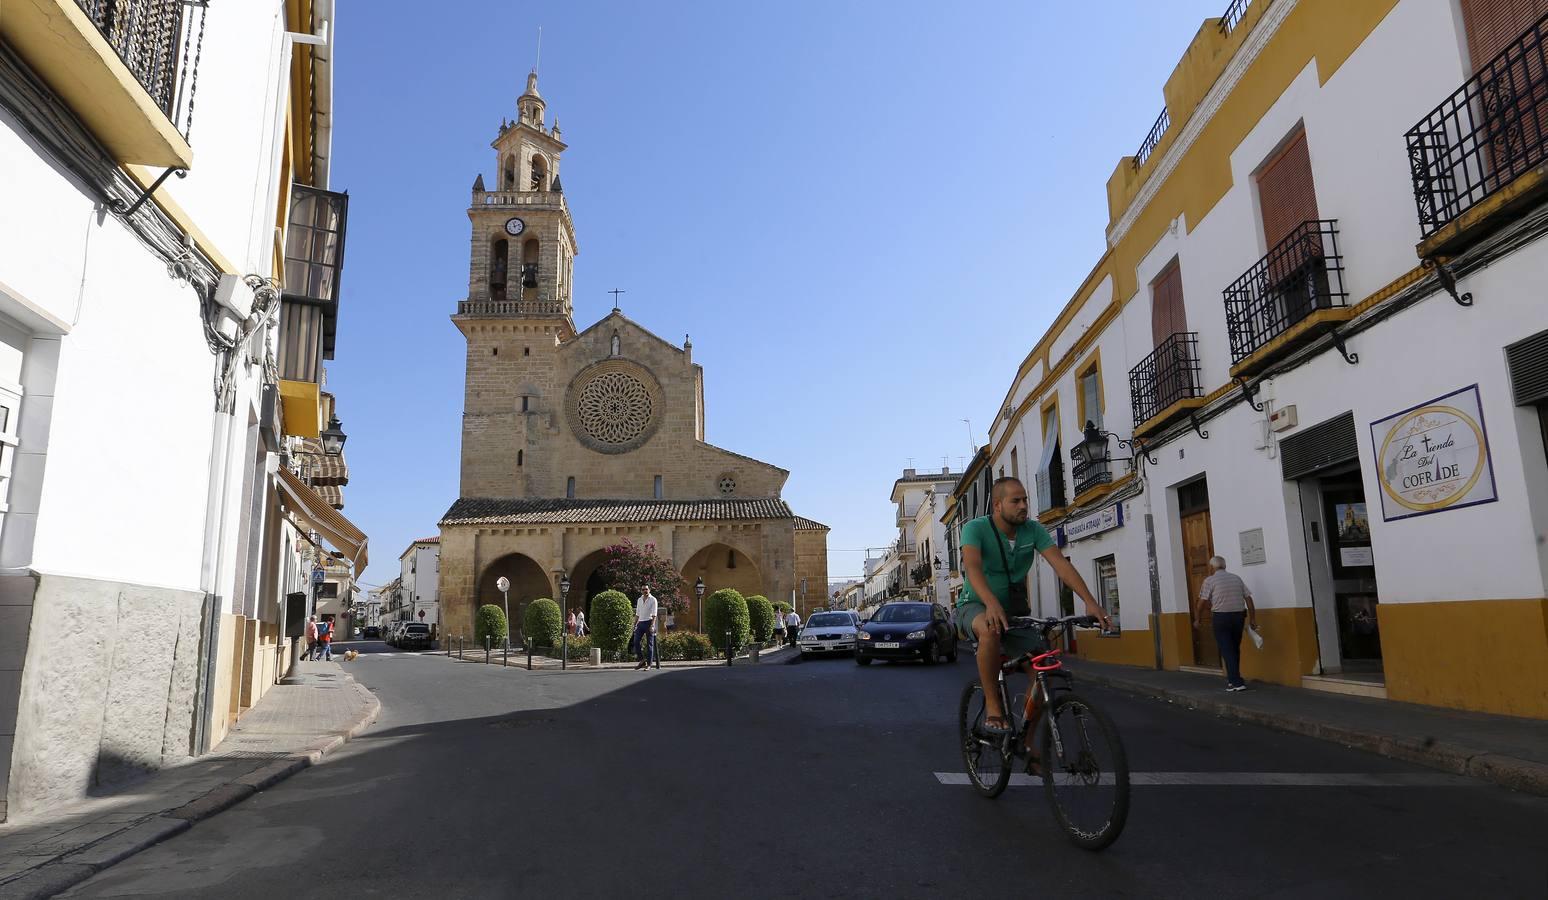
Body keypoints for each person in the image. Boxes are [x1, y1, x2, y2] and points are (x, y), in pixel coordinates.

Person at [958, 477, 1111, 746]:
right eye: (1015, 501)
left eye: (1025, 500)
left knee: (1045, 672)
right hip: (975, 605)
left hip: (1014, 613)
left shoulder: (1033, 530)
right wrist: (991, 602)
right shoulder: (975, 529)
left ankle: (1027, 743)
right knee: (989, 630)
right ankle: (993, 707)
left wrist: (1090, 601)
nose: (1023, 506)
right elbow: (972, 567)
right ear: (997, 505)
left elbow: (1061, 566)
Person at [1196, 556, 1257, 692]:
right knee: (1234, 648)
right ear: (1224, 566)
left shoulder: (1209, 581)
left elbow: (1201, 603)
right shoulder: (1236, 578)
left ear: (1212, 567)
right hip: (1238, 617)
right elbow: (1248, 599)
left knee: (1226, 649)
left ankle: (1236, 682)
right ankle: (1233, 679)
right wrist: (1253, 619)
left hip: (1221, 618)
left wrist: (1198, 618)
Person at [630, 585, 658, 670]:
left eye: (646, 589)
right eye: (643, 589)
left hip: (649, 622)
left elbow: (654, 614)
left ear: (649, 590)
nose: (645, 591)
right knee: (636, 642)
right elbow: (637, 614)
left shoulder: (653, 599)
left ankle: (649, 665)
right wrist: (634, 624)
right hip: (640, 623)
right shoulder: (639, 600)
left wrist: (652, 625)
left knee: (650, 644)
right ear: (641, 591)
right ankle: (642, 661)